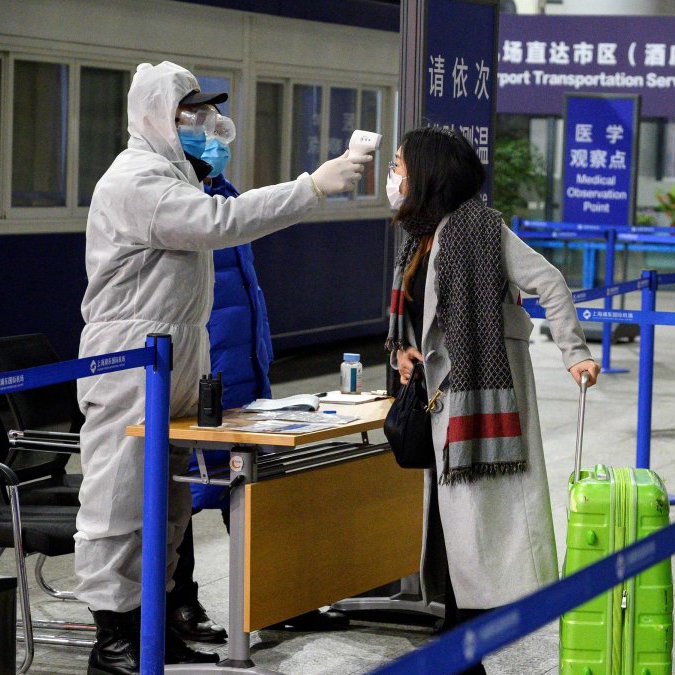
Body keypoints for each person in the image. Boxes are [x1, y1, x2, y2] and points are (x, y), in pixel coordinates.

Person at [77, 60, 370, 675]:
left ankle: (152, 627)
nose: (207, 124)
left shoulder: (178, 177)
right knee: (121, 501)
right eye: (191, 113)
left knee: (168, 505)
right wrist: (312, 186)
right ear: (157, 115)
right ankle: (112, 638)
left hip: (175, 354)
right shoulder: (137, 181)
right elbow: (223, 224)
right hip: (131, 359)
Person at [386, 126, 600, 674]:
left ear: (428, 172)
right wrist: (403, 353)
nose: (394, 175)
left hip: (482, 401)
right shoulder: (419, 235)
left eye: (400, 165)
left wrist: (573, 353)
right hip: (438, 403)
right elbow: (416, 320)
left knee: (480, 526)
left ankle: (463, 640)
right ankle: (458, 634)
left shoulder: (481, 231)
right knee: (454, 529)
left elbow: (551, 283)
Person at [167, 122, 350, 643]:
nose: (215, 141)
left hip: (244, 372)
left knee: (250, 489)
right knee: (186, 493)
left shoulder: (223, 195)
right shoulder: (180, 202)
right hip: (203, 375)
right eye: (199, 130)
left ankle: (274, 597)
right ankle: (180, 605)